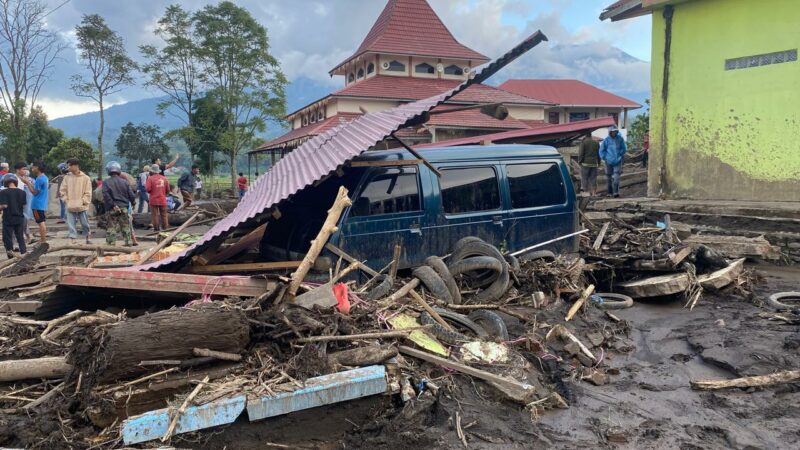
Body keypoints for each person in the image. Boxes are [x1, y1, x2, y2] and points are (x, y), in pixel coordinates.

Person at [102, 161, 136, 247]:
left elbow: (106, 196)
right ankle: (128, 242)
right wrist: (133, 203)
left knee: (111, 227)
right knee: (125, 226)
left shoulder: (106, 182)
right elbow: (131, 195)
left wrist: (113, 205)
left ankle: (111, 243)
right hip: (124, 208)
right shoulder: (125, 182)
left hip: (112, 209)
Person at [59, 158, 93, 244]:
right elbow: (62, 190)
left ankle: (88, 237)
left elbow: (88, 192)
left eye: (70, 165)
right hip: (70, 205)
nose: (68, 167)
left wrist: (83, 201)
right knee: (71, 223)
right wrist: (66, 200)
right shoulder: (67, 177)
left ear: (76, 166)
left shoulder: (85, 178)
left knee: (85, 223)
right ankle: (73, 239)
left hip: (82, 205)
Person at [18, 161, 48, 244]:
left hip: (37, 204)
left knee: (40, 222)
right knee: (42, 221)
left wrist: (27, 182)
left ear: (38, 167)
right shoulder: (44, 177)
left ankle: (43, 240)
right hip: (42, 203)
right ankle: (43, 239)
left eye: (33, 167)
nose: (32, 169)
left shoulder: (39, 179)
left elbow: (34, 192)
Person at [0, 174, 27, 258]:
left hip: (8, 218)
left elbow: (4, 205)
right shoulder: (23, 192)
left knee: (7, 238)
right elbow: (23, 205)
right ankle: (24, 254)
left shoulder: (3, 192)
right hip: (19, 218)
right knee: (20, 237)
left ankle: (11, 256)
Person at [599, 125, 627, 198]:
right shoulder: (606, 140)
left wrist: (620, 153)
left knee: (616, 177)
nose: (614, 133)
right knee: (608, 177)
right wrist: (605, 157)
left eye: (615, 131)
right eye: (613, 132)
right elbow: (601, 151)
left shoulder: (620, 139)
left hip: (618, 161)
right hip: (608, 161)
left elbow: (624, 148)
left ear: (617, 132)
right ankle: (609, 192)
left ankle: (616, 192)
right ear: (610, 132)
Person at [145, 164, 170, 232]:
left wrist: (153, 191)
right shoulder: (164, 178)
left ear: (152, 171)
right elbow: (168, 190)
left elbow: (148, 189)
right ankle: (165, 229)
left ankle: (156, 229)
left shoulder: (150, 178)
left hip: (153, 200)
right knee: (164, 215)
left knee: (155, 215)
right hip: (162, 199)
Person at [13, 163, 33, 242]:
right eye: (23, 169)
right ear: (18, 170)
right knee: (18, 219)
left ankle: (27, 235)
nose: (25, 171)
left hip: (23, 202)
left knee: (24, 218)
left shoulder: (26, 178)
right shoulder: (13, 178)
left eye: (26, 169)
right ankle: (25, 236)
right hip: (14, 202)